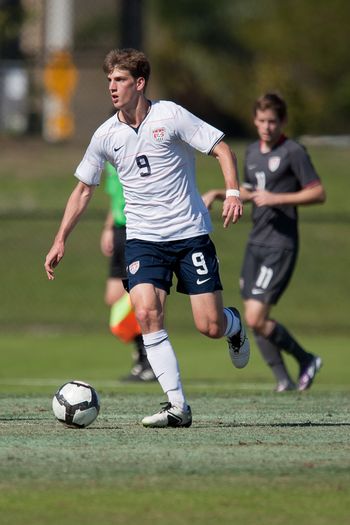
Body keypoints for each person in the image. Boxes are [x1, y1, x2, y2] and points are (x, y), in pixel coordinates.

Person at [44, 48, 250, 428]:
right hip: (143, 240)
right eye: (109, 80)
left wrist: (233, 192)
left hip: (190, 235)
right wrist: (61, 240)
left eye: (120, 80)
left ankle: (233, 325)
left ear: (139, 83)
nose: (112, 87)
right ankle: (177, 407)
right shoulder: (105, 135)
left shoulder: (170, 116)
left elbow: (221, 148)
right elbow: (83, 190)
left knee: (209, 327)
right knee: (146, 313)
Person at [202, 92, 326, 393]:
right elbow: (249, 190)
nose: (267, 127)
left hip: (280, 245)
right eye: (262, 121)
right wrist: (221, 193)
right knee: (253, 318)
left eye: (273, 121)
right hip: (255, 242)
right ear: (255, 122)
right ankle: (283, 380)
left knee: (256, 318)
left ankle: (306, 359)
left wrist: (278, 198)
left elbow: (317, 192)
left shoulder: (294, 152)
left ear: (282, 122)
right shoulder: (253, 152)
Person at [100, 161, 156, 382]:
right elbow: (117, 200)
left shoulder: (133, 154)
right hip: (119, 230)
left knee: (140, 298)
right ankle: (142, 356)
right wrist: (108, 228)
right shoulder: (109, 159)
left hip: (137, 229)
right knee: (115, 297)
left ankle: (148, 361)